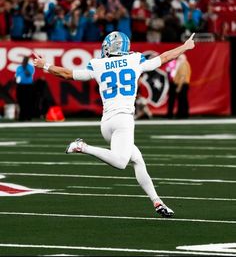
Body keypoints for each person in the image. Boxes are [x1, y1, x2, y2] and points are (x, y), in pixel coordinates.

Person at [33, 31, 195, 217]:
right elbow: (165, 57)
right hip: (124, 120)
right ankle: (82, 147)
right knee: (120, 162)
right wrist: (185, 47)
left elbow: (68, 74)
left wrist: (44, 65)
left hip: (107, 123)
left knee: (138, 160)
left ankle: (157, 202)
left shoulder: (98, 64)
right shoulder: (135, 60)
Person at [167, 53, 191, 118]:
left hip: (182, 84)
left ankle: (182, 114)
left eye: (179, 58)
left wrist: (179, 87)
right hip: (182, 84)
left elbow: (182, 77)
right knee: (182, 100)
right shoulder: (184, 64)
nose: (178, 60)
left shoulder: (183, 64)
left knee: (182, 100)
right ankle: (182, 114)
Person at [15, 56, 35, 121]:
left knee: (28, 101)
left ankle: (28, 116)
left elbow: (28, 74)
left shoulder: (30, 67)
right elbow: (17, 75)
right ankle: (22, 116)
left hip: (28, 86)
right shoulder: (19, 67)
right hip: (20, 86)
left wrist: (25, 67)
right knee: (21, 101)